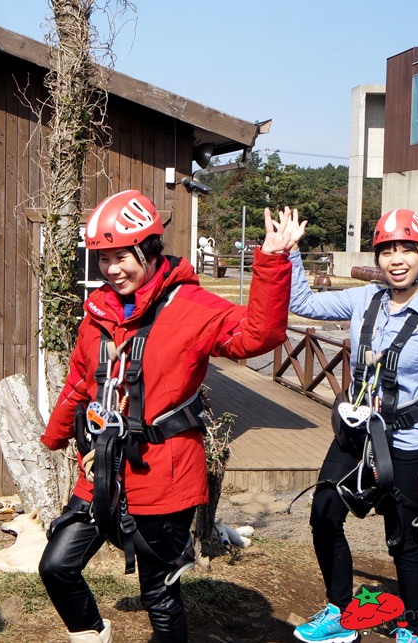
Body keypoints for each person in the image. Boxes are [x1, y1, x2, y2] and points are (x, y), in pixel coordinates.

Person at [38, 190, 303, 643]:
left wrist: (273, 262)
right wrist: (55, 435)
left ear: (148, 250)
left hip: (164, 472)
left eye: (122, 256)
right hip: (104, 468)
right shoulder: (98, 312)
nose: (112, 269)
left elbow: (257, 335)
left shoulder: (192, 307)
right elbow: (81, 378)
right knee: (57, 566)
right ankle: (90, 634)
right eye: (103, 258)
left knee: (158, 593)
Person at [288, 209, 418, 643]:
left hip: (405, 442)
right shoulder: (365, 299)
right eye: (387, 250)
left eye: (406, 249)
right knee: (324, 514)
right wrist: (290, 253)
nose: (396, 259)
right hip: (354, 434)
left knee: (401, 540)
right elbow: (302, 303)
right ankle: (341, 613)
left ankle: (415, 627)